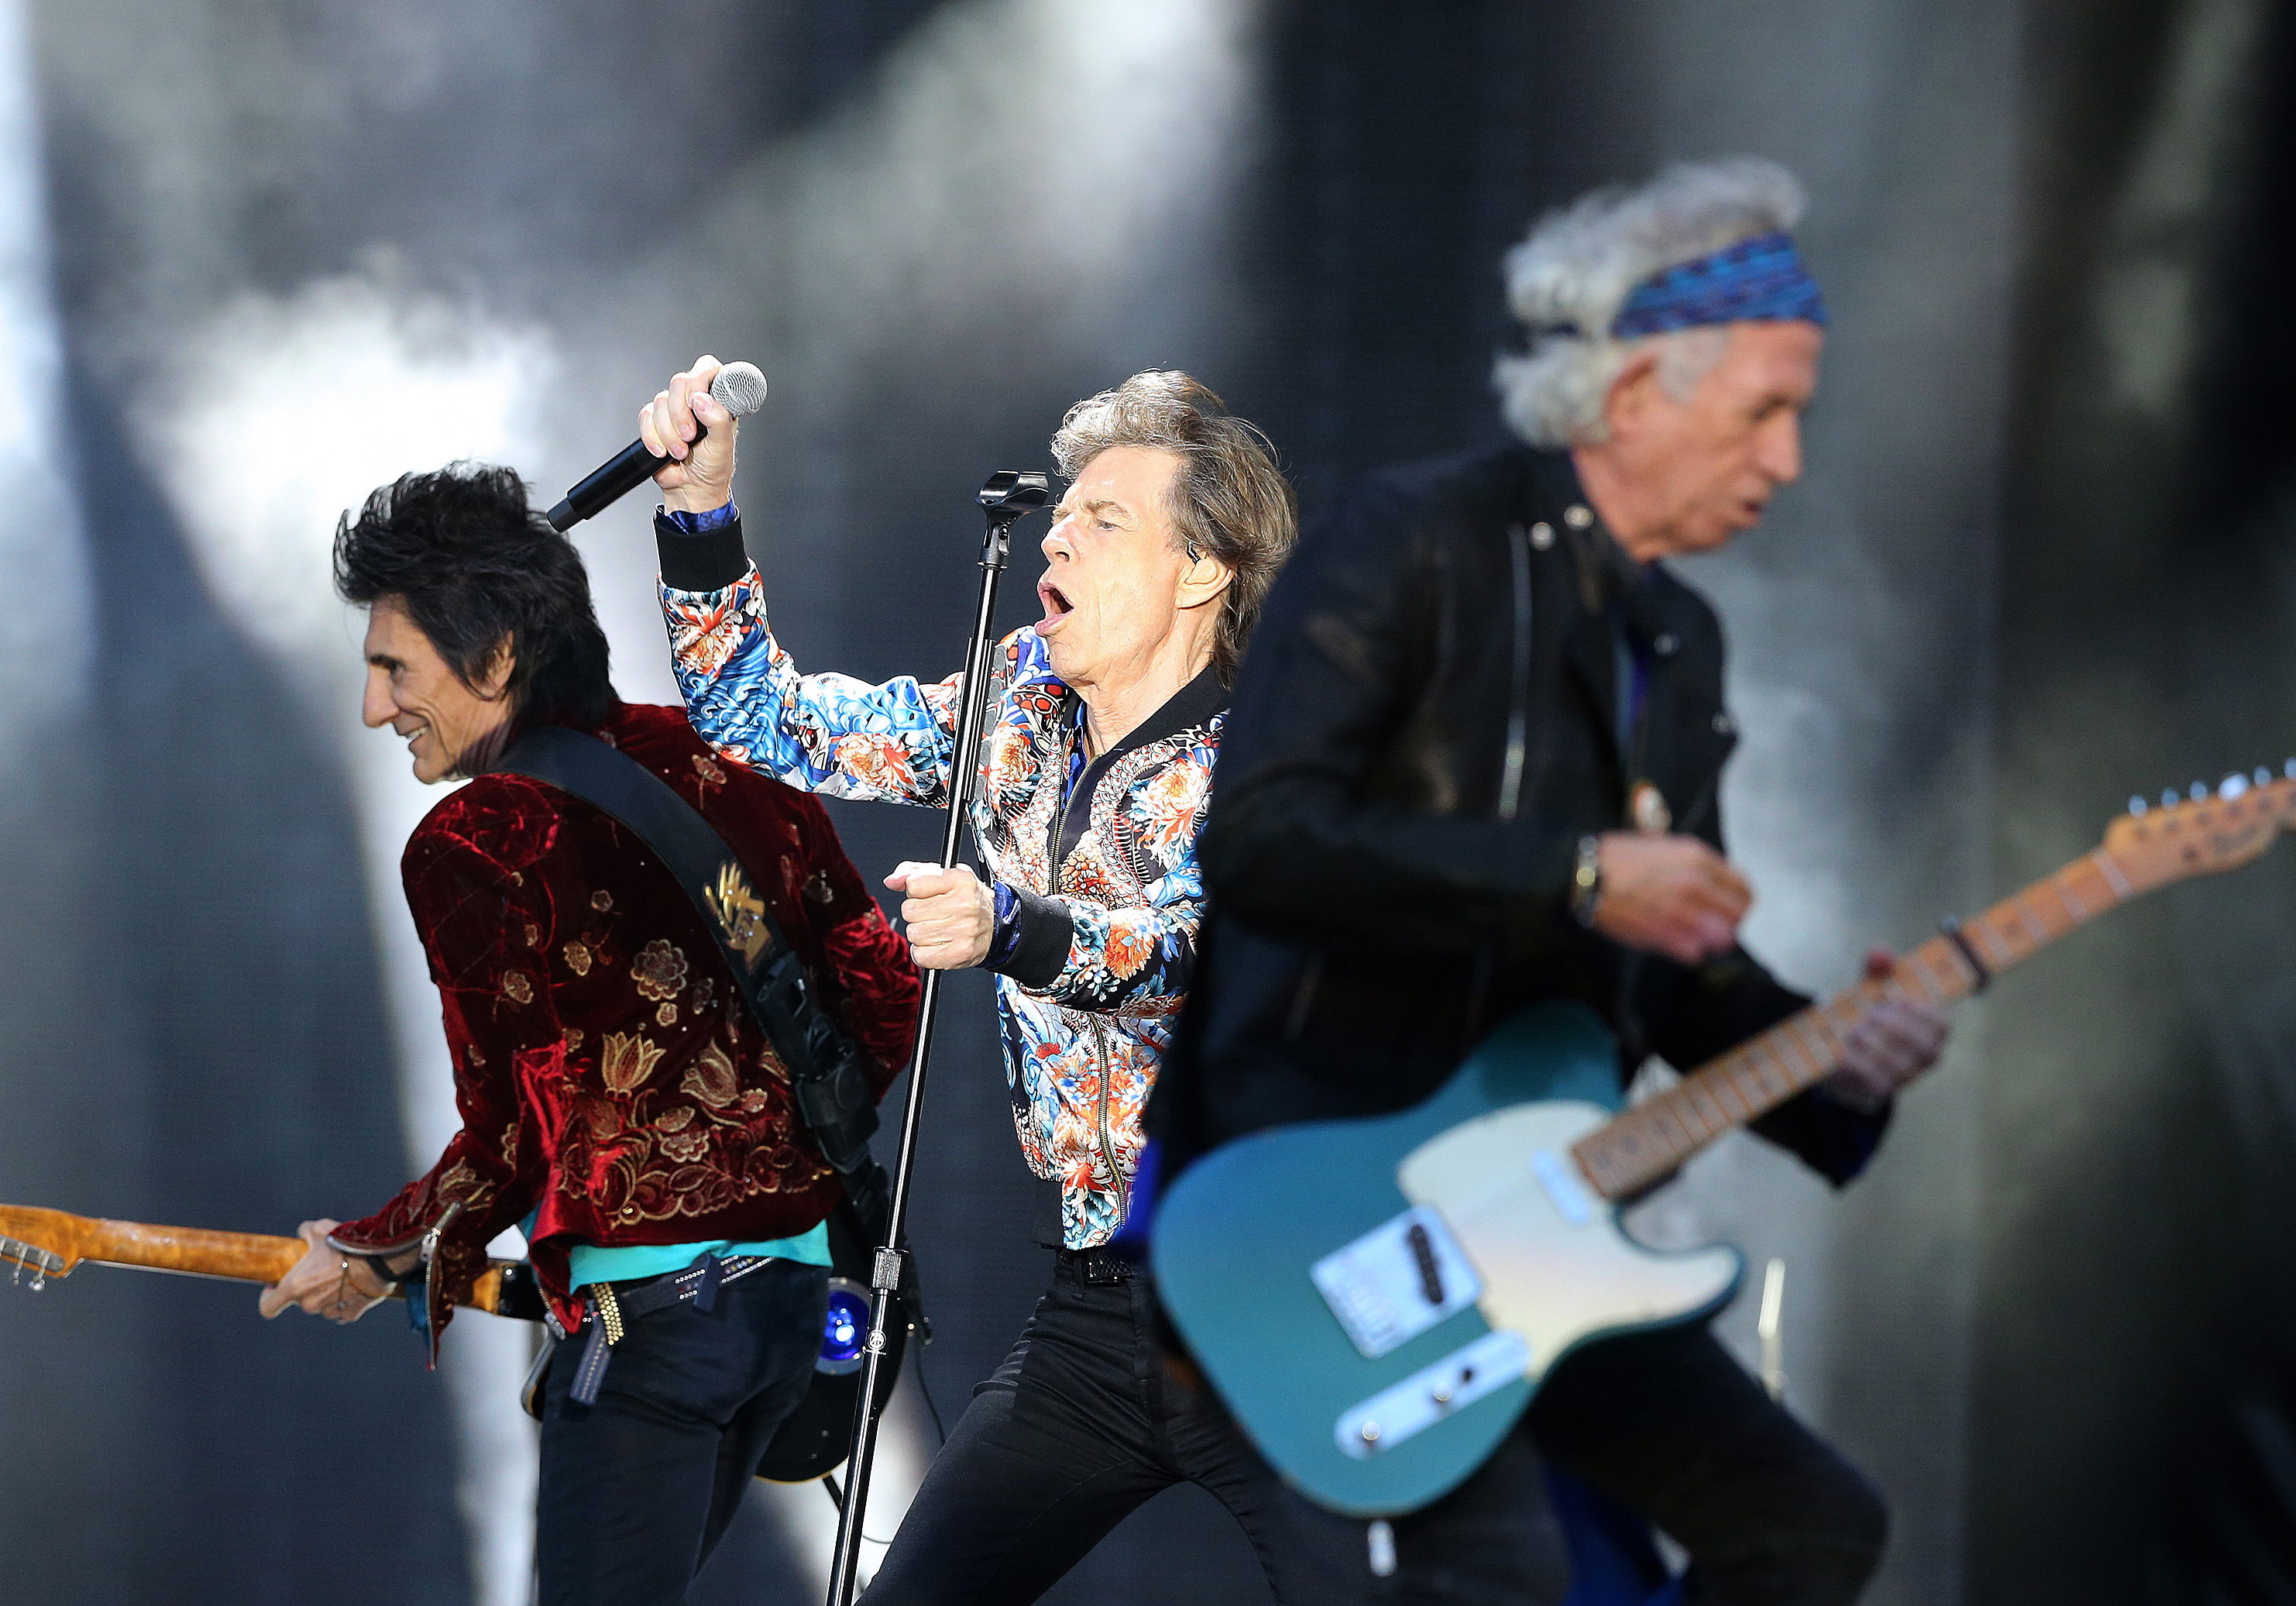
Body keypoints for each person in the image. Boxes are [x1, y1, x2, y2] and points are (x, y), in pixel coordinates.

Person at [1146, 158, 1952, 1604]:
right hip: (1330, 1199)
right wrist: (1576, 875)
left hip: (1536, 1228)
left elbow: (1676, 968)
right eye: (1766, 412)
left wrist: (1845, 1059)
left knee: (1810, 1524)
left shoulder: (1677, 645)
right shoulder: (1409, 542)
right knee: (1508, 1578)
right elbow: (1259, 841)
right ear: (1636, 390)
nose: (1787, 463)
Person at [642, 362, 1334, 1600]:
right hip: (1100, 1316)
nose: (1056, 537)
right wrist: (701, 515)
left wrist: (1011, 925)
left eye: (1103, 520)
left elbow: (1190, 951)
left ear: (1202, 568)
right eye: (1060, 516)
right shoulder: (1020, 694)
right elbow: (769, 722)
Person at [256, 465, 919, 1606]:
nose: (374, 707)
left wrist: (370, 1249)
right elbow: (883, 990)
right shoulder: (722, 758)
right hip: (793, 1312)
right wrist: (758, 1153)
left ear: (499, 656)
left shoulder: (476, 839)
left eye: (393, 667)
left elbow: (510, 1134)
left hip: (654, 1331)